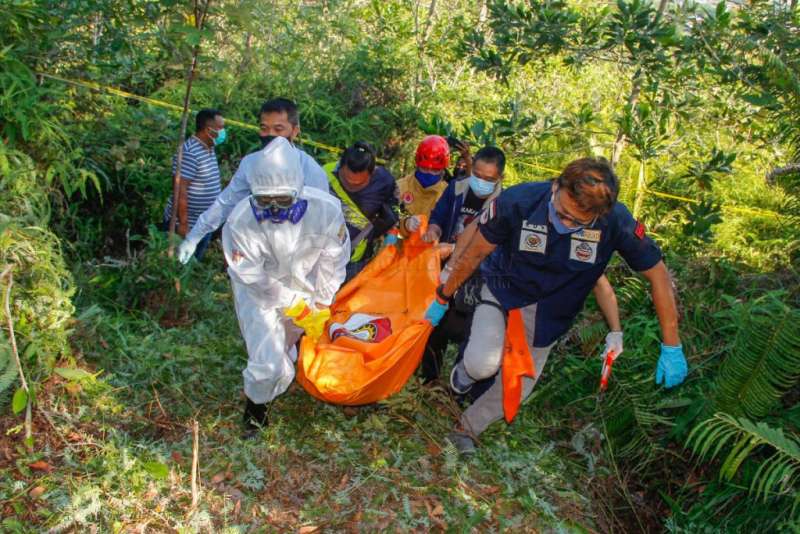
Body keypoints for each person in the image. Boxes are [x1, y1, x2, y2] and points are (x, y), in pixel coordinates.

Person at [424, 157, 687, 454]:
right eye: (561, 213)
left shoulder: (616, 222)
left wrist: (672, 345)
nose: (565, 224)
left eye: (577, 222)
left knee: (519, 386)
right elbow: (476, 251)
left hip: (553, 310)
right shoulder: (520, 200)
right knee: (481, 364)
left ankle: (466, 430)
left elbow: (658, 274)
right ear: (555, 186)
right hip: (503, 289)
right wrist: (444, 295)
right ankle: (464, 375)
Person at [222, 137, 350, 434]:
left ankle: (282, 369)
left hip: (305, 288)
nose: (276, 209)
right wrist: (293, 302)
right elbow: (251, 275)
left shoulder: (326, 211)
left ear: (299, 190)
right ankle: (255, 414)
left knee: (286, 346)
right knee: (267, 362)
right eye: (266, 201)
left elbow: (334, 259)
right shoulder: (240, 222)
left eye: (284, 200)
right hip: (259, 295)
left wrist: (321, 300)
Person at [177, 98, 329, 263]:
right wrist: (194, 237)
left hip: (298, 257)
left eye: (278, 129)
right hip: (256, 253)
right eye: (264, 128)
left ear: (294, 131)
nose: (270, 135)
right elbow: (225, 203)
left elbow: (322, 220)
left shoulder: (310, 170)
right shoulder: (251, 163)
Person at [323, 142, 399, 280]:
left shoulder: (384, 183)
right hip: (319, 253)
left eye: (358, 183)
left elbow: (392, 215)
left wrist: (374, 235)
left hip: (353, 261)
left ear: (372, 173)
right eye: (345, 179)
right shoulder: (325, 174)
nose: (350, 184)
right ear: (340, 165)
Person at [163, 108, 225, 260]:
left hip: (203, 223)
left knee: (194, 264)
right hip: (188, 225)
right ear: (207, 130)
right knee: (182, 264)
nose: (223, 132)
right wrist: (183, 224)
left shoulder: (209, 147)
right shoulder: (190, 152)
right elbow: (180, 189)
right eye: (220, 129)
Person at [396, 135, 451, 237]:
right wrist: (405, 223)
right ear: (417, 165)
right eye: (424, 168)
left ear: (443, 169)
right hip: (396, 249)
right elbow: (389, 215)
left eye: (435, 170)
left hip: (428, 251)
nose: (429, 173)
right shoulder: (400, 186)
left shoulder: (447, 194)